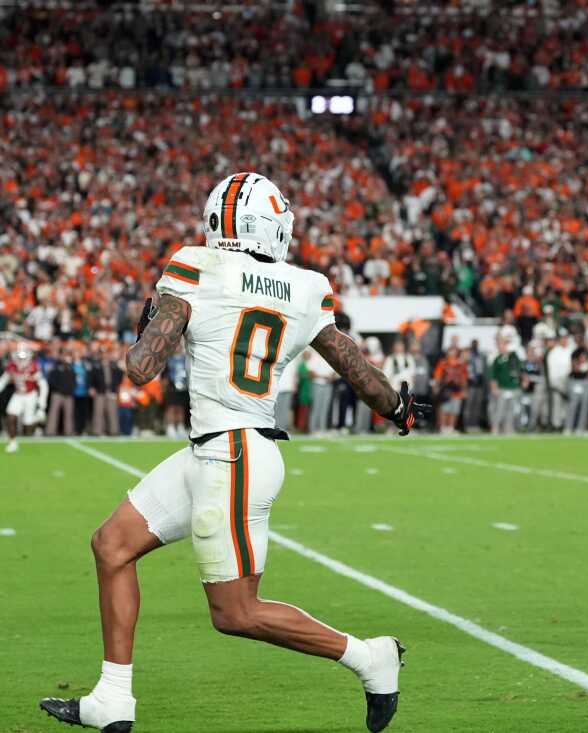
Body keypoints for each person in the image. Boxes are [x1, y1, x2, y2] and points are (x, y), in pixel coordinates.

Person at [39, 173, 431, 733]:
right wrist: (399, 409)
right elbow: (355, 368)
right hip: (218, 452)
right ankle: (112, 699)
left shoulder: (196, 264)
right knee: (112, 545)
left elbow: (140, 368)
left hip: (235, 456)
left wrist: (158, 314)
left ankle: (371, 658)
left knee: (237, 614)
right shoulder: (304, 286)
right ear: (272, 228)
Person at [0, 342, 48, 452]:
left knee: (28, 427)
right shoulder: (12, 365)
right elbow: (3, 381)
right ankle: (13, 443)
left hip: (30, 395)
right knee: (11, 416)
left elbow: (43, 385)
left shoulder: (33, 366)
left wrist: (42, 406)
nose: (21, 359)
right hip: (18, 395)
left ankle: (38, 420)